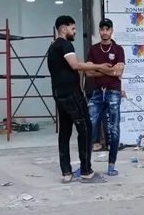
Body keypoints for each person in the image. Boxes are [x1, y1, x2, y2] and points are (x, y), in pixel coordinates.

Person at [47, 15, 113, 183]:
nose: (75, 31)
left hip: (59, 94)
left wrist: (91, 68)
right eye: (73, 28)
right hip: (71, 94)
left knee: (65, 131)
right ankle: (86, 171)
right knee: (86, 128)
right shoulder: (65, 44)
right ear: (63, 29)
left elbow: (69, 66)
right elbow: (75, 65)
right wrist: (99, 66)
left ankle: (66, 172)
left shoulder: (52, 47)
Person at [85, 18, 126, 176]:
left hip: (113, 91)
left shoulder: (118, 49)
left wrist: (99, 69)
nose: (104, 32)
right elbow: (88, 72)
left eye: (107, 29)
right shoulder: (94, 49)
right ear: (99, 30)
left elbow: (119, 72)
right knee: (89, 127)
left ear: (112, 30)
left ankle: (111, 165)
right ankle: (86, 166)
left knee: (113, 129)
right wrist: (108, 70)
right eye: (102, 29)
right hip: (97, 92)